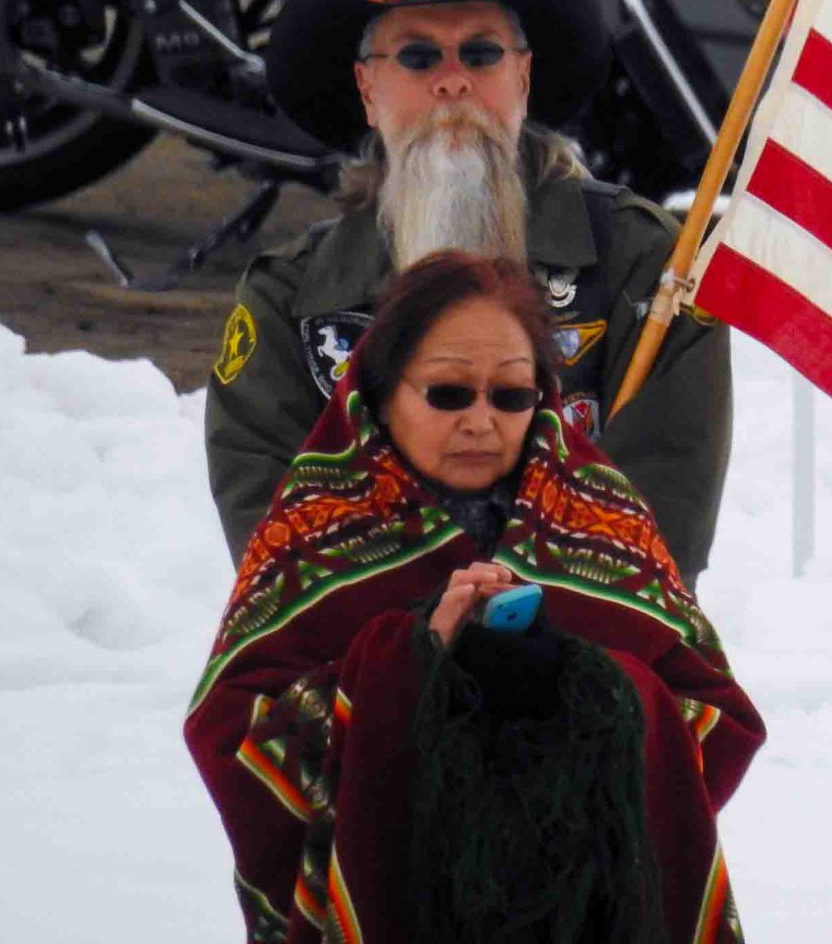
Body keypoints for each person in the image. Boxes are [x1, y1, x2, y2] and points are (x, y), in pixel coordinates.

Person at [185, 251, 764, 944]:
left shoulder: (601, 516)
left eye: (511, 396)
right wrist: (410, 662)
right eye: (448, 394)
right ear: (380, 390)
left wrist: (579, 681)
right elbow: (234, 738)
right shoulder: (318, 527)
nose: (482, 421)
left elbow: (717, 723)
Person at [205, 0, 732, 586]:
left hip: (593, 656)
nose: (452, 82)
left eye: (481, 53)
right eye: (418, 57)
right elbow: (276, 535)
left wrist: (531, 629)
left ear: (523, 78)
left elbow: (666, 502)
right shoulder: (291, 300)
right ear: (368, 88)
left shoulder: (643, 266)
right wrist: (427, 638)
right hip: (369, 669)